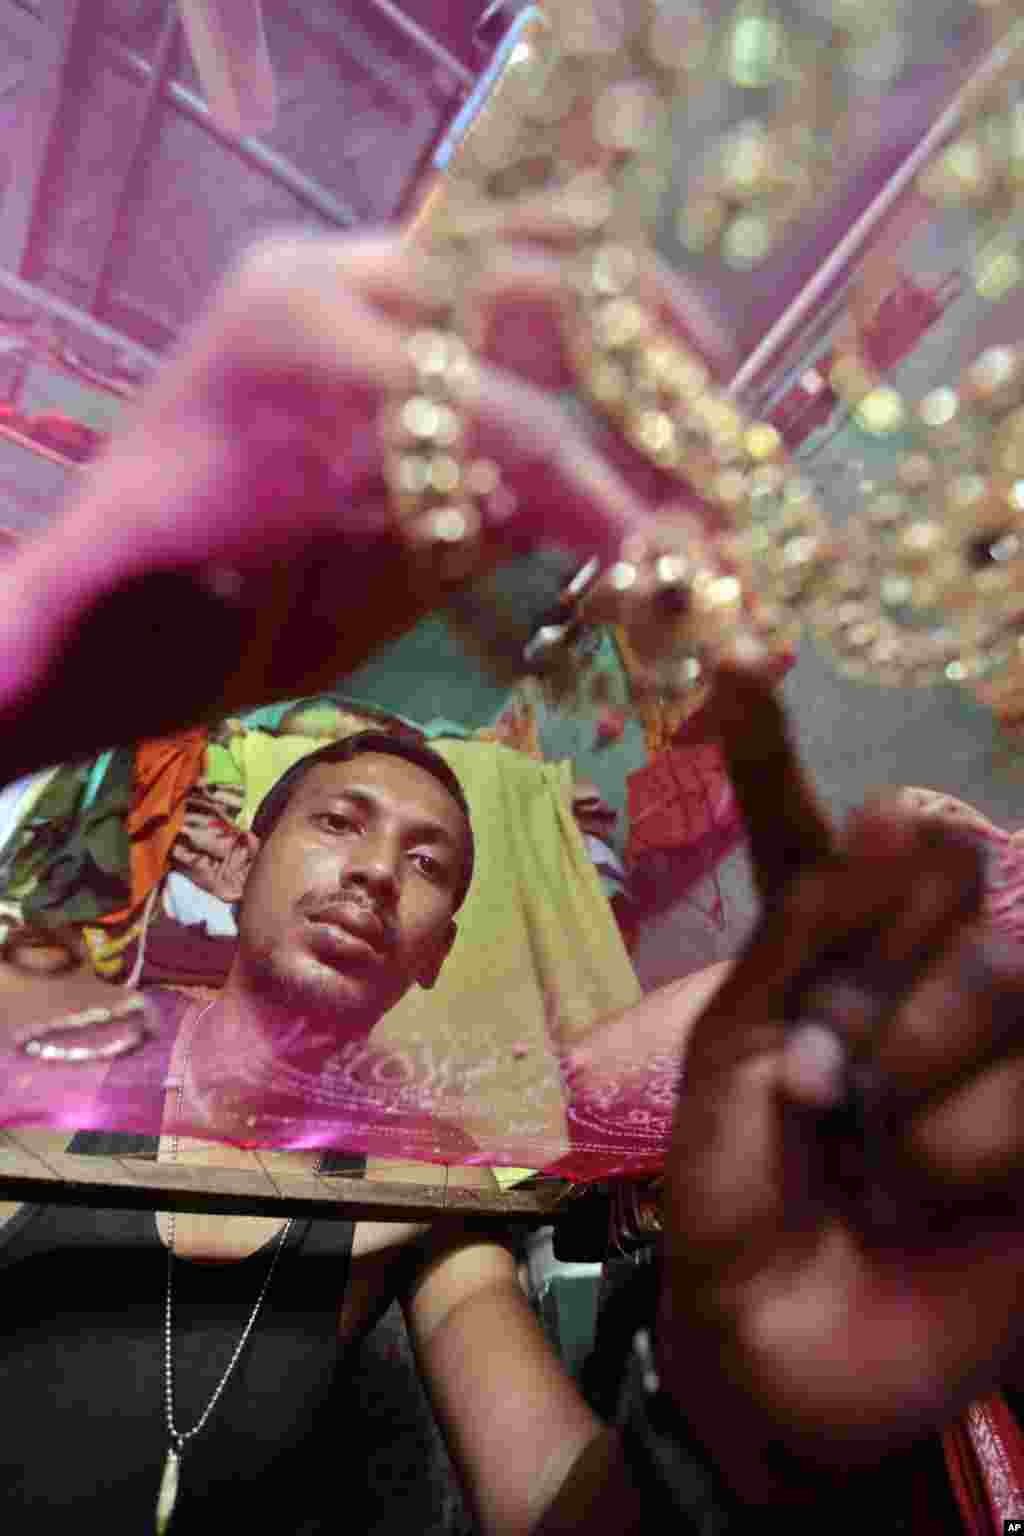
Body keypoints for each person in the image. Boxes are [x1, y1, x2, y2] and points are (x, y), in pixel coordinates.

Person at [1, 221, 1024, 1531]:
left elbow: (556, 1503)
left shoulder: (438, 1204)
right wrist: (68, 615)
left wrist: (717, 1432)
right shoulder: (57, 1040)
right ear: (242, 865)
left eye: (428, 862)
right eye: (339, 823)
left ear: (437, 948)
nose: (377, 870)